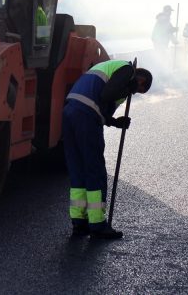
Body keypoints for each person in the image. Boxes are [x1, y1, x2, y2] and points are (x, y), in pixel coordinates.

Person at [62, 60, 153, 239]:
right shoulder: (127, 70)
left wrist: (114, 122)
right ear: (140, 77)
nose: (134, 92)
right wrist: (127, 88)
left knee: (78, 169)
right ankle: (97, 224)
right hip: (86, 118)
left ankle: (79, 222)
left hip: (70, 112)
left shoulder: (109, 70)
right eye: (138, 88)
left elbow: (102, 106)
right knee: (94, 169)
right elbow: (107, 95)